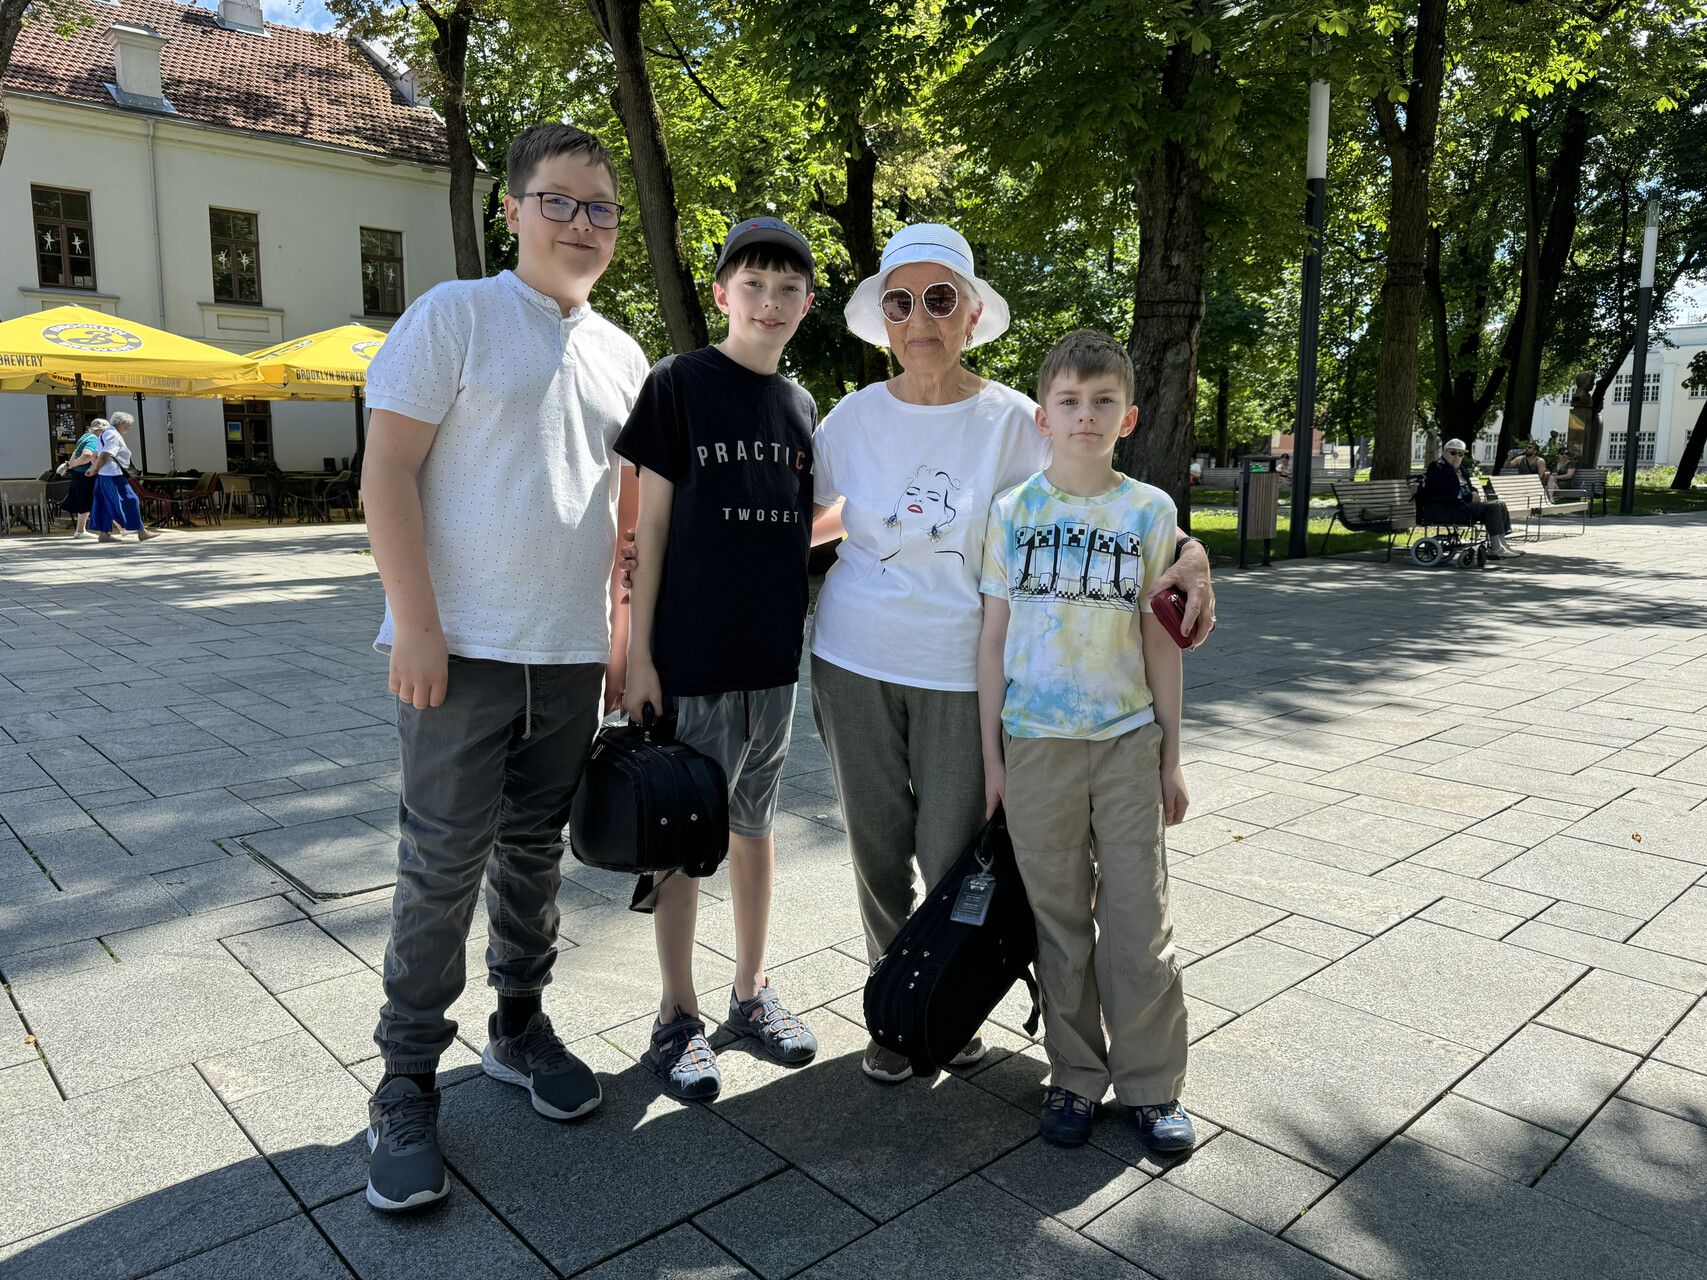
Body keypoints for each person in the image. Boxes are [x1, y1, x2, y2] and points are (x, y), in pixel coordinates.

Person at [805, 223, 1214, 1085]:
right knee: (877, 851)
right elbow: (812, 517)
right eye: (900, 303)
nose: (920, 319)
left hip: (965, 669)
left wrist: (1190, 554)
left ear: (971, 313)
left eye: (940, 300)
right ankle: (898, 1007)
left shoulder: (1013, 421)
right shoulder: (848, 418)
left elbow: (1095, 492)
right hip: (853, 658)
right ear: (883, 322)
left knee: (955, 852)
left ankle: (949, 1000)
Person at [358, 122, 649, 1213]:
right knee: (438, 865)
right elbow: (385, 469)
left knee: (532, 858)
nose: (582, 223)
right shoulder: (455, 315)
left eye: (601, 207)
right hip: (461, 652)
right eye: (559, 201)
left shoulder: (621, 352)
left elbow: (620, 519)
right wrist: (416, 621)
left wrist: (619, 638)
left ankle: (518, 1026)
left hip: (568, 659)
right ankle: (404, 1078)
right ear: (515, 209)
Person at [616, 217, 822, 1099]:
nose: (769, 302)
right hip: (689, 659)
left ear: (807, 304)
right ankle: (675, 1015)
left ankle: (748, 993)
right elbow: (648, 525)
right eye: (753, 285)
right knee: (677, 837)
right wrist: (638, 654)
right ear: (721, 293)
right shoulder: (679, 384)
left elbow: (805, 527)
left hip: (771, 660)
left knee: (753, 826)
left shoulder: (802, 406)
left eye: (787, 290)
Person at [978, 328, 1193, 1152]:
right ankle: (1072, 1073)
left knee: (1138, 918)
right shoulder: (1013, 512)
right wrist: (992, 759)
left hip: (1125, 741)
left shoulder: (1149, 512)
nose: (1085, 415)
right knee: (1058, 919)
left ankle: (1148, 1083)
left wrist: (1172, 754)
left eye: (1102, 401)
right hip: (1035, 744)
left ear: (1128, 416)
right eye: (1069, 401)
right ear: (1042, 415)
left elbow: (1160, 642)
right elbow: (992, 640)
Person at [1420, 438, 1519, 558]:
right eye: (1453, 453)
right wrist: (1470, 496)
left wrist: (1474, 492)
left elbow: (1469, 485)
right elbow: (1449, 490)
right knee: (1492, 507)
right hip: (1449, 506)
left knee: (1500, 504)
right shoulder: (1437, 467)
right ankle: (1495, 548)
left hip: (1463, 504)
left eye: (1460, 454)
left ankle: (1503, 545)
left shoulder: (1461, 468)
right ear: (1444, 452)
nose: (1457, 456)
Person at [84, 415, 157, 543]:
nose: (129, 428)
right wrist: (95, 469)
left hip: (104, 475)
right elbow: (105, 454)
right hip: (113, 474)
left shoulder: (104, 435)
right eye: (128, 425)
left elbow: (95, 455)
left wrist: (95, 469)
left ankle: (104, 534)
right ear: (121, 423)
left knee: (104, 503)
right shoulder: (112, 434)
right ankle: (141, 532)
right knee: (131, 499)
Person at [54, 422, 103, 539]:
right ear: (100, 431)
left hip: (78, 473)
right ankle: (80, 530)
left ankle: (81, 530)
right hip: (86, 474)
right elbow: (87, 455)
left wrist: (69, 465)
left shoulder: (84, 437)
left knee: (85, 500)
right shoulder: (94, 439)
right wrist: (70, 465)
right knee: (86, 501)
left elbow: (75, 453)